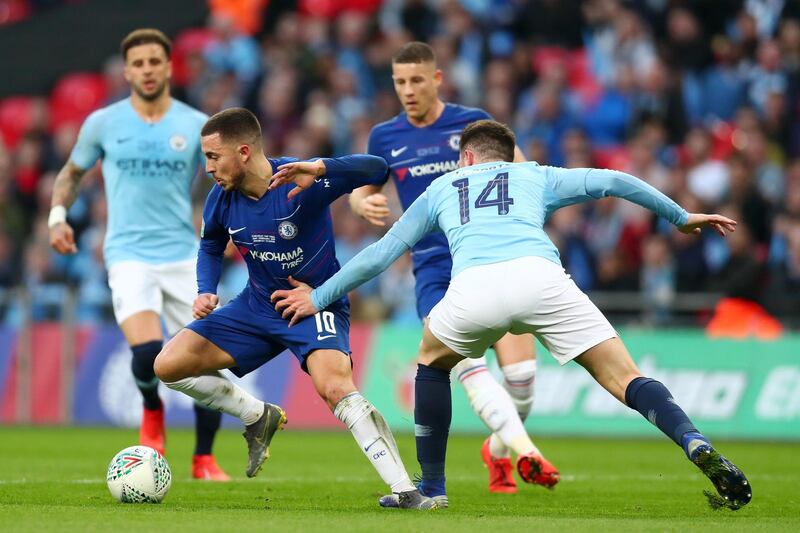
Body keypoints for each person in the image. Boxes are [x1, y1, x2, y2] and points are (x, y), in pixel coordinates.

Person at [271, 120, 752, 511]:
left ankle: (433, 488)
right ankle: (691, 439)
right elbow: (613, 181)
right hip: (541, 279)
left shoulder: (443, 186)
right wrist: (679, 216)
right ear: (508, 154)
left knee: (431, 362)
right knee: (623, 376)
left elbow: (382, 254)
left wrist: (318, 298)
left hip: (474, 288)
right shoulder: (535, 175)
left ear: (467, 157)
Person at [152, 107, 438, 510]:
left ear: (245, 151)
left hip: (313, 301)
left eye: (214, 157)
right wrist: (205, 290)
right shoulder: (221, 197)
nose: (208, 166)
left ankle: (406, 491)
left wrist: (322, 167)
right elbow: (212, 244)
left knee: (336, 387)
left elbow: (376, 170)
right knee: (167, 365)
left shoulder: (300, 180)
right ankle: (255, 415)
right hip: (256, 305)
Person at [350, 41, 547, 502]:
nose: (408, 90)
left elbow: (522, 174)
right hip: (436, 266)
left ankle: (498, 447)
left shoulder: (472, 123)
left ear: (437, 79)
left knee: (522, 385)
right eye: (399, 82)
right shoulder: (384, 137)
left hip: (493, 257)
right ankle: (504, 458)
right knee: (467, 365)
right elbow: (363, 189)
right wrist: (363, 202)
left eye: (417, 80)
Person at [49, 28, 228, 481]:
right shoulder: (104, 123)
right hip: (127, 253)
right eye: (139, 63)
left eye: (155, 61)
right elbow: (72, 173)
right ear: (127, 71)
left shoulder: (195, 125)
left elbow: (223, 181)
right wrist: (57, 217)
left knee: (205, 357)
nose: (148, 70)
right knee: (148, 349)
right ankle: (152, 411)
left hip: (183, 254)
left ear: (169, 67)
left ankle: (203, 458)